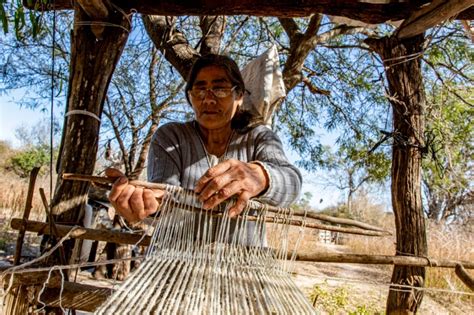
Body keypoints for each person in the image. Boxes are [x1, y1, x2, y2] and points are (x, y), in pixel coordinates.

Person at [107, 54, 301, 243]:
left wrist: (260, 176)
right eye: (199, 90)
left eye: (220, 89)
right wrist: (144, 205)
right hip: (176, 260)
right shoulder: (171, 137)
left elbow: (292, 183)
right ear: (190, 97)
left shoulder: (259, 136)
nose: (208, 99)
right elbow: (163, 197)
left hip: (238, 264)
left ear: (239, 95)